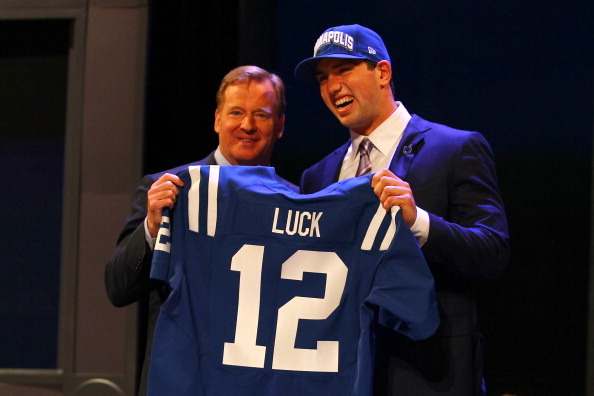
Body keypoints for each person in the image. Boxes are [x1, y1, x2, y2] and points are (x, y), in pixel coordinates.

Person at [294, 24, 510, 395]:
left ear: (382, 72)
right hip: (339, 373)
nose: (332, 87)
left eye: (343, 70)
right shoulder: (316, 177)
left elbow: (492, 252)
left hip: (427, 371)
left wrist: (417, 221)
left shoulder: (455, 149)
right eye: (322, 77)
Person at [105, 65, 296, 396]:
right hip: (180, 382)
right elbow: (117, 288)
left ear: (279, 126)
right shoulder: (168, 190)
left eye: (261, 115)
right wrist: (152, 227)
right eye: (236, 112)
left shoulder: (297, 202)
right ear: (217, 120)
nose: (247, 125)